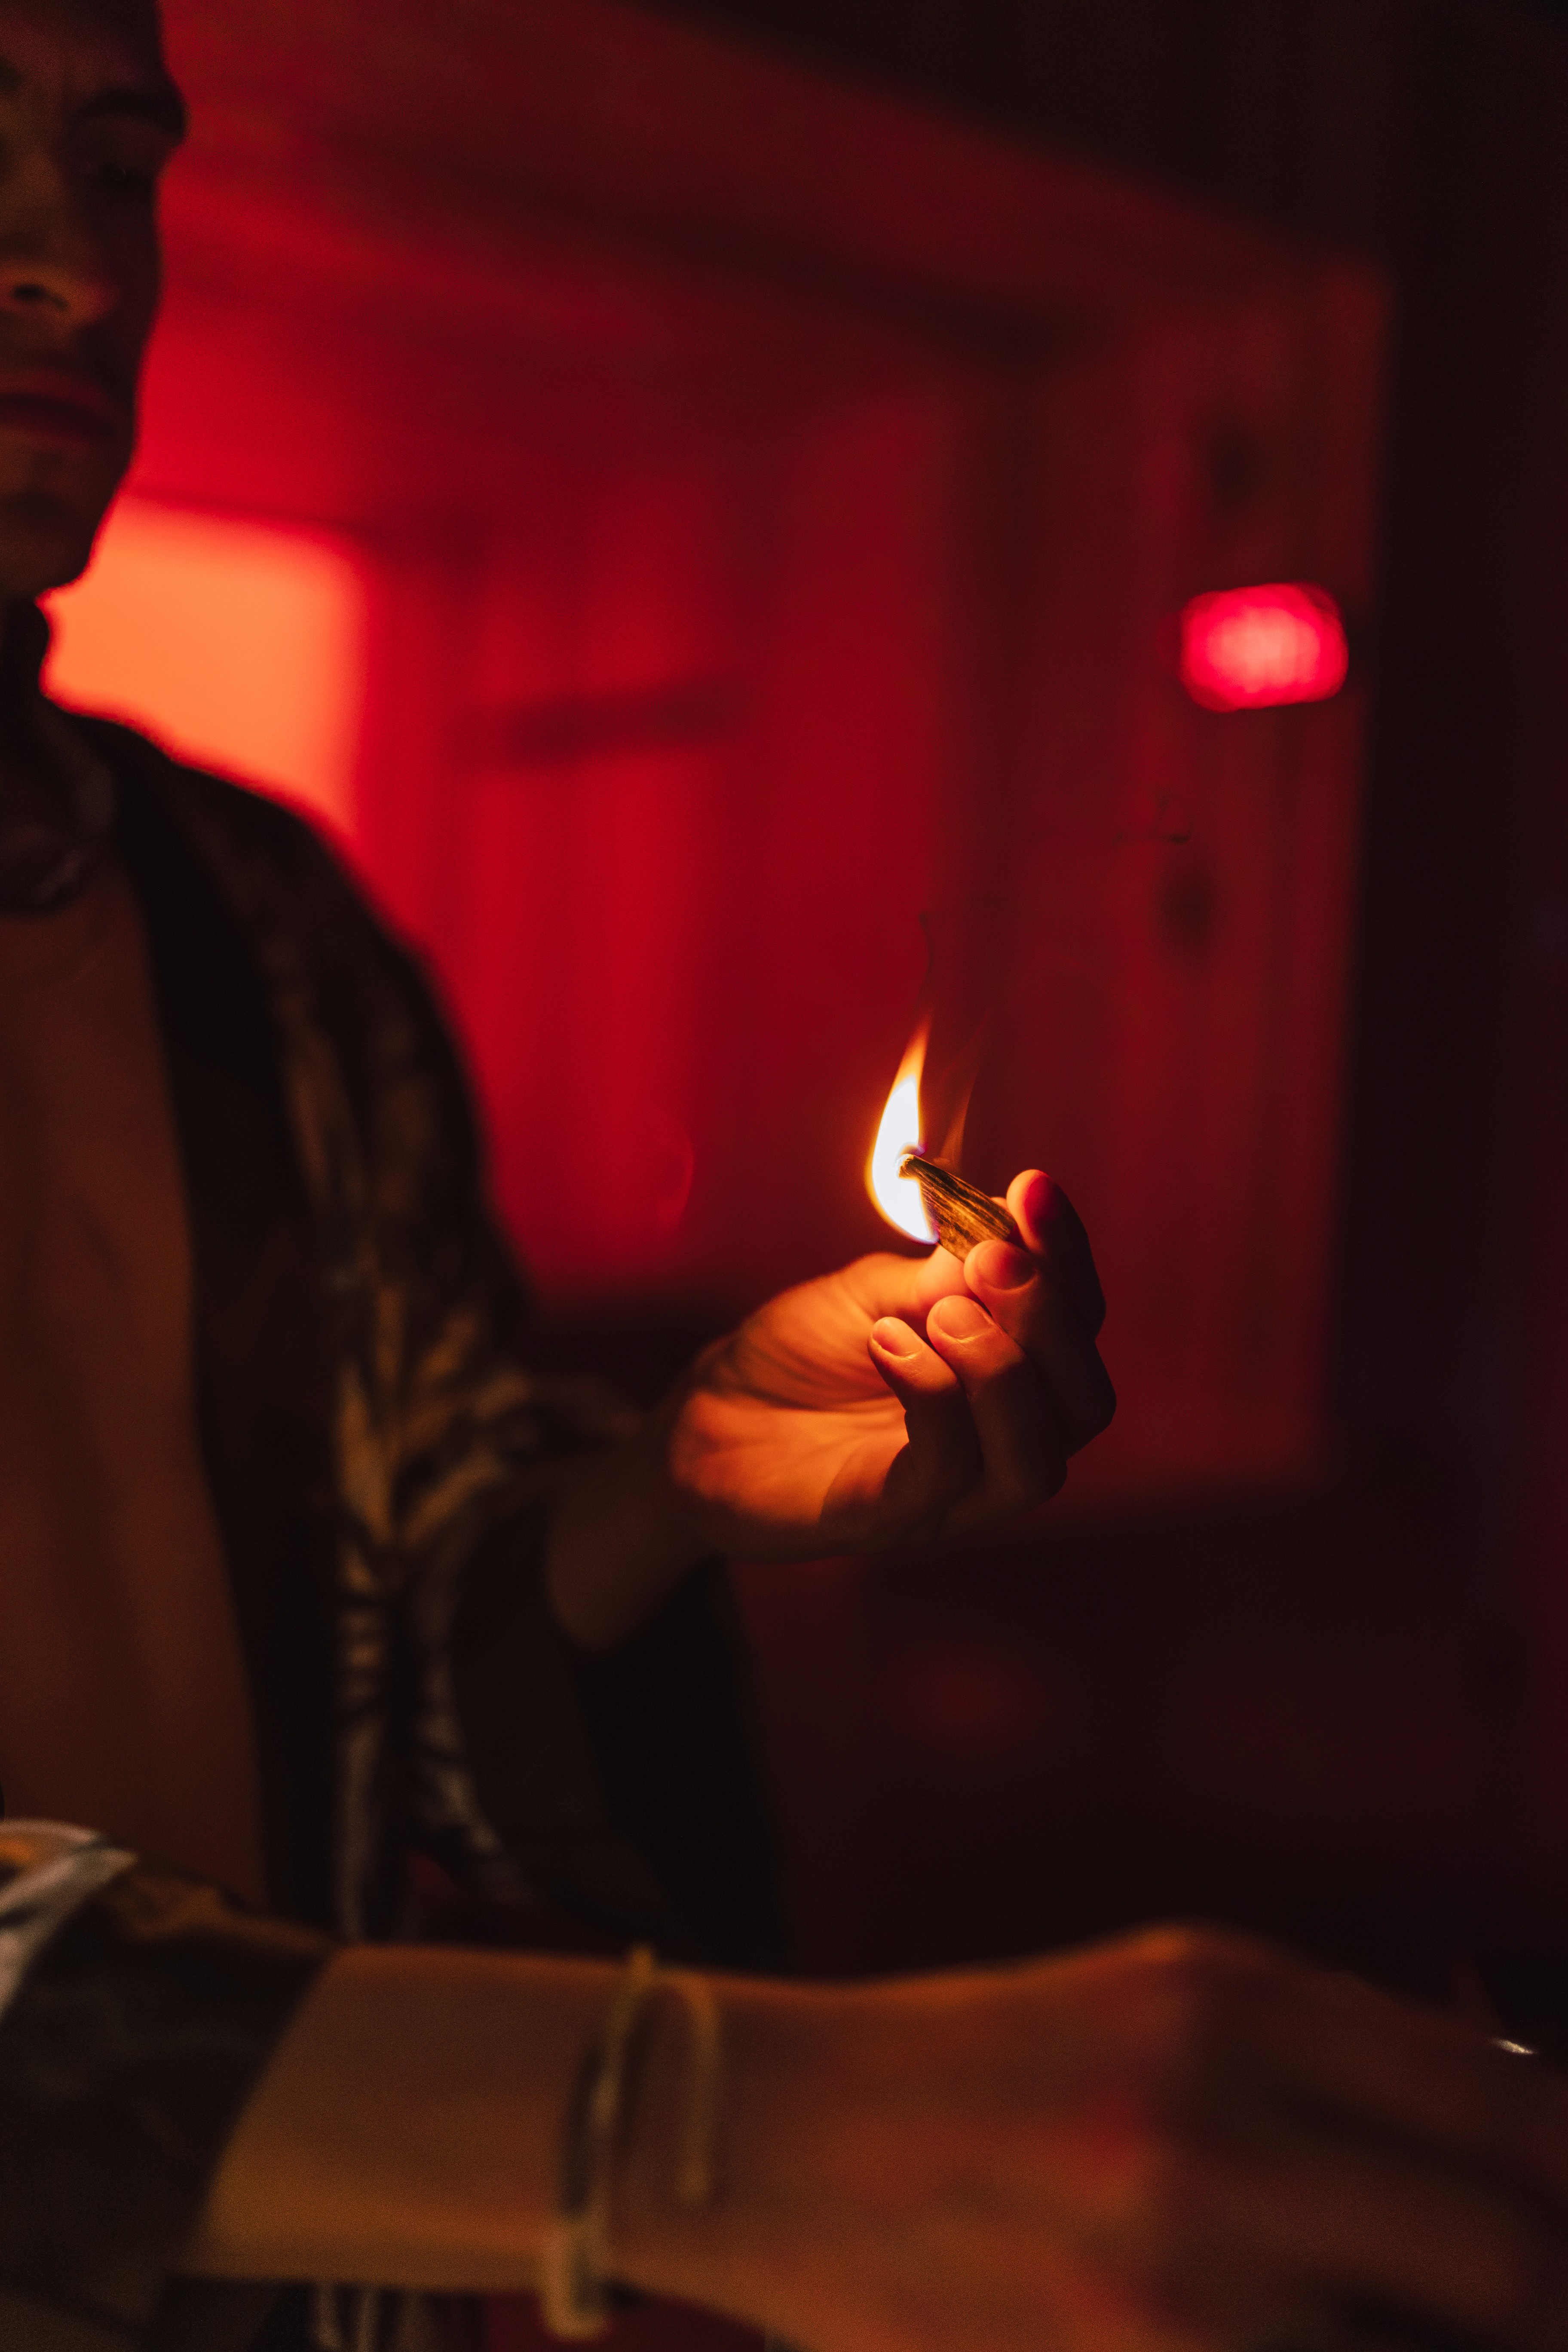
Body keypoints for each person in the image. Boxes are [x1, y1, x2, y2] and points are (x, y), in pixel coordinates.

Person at [2, 5, 1568, 2351]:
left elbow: (407, 1632)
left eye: (118, 161)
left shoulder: (271, 933)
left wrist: (666, 1492)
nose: (75, 267)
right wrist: (701, 2129)